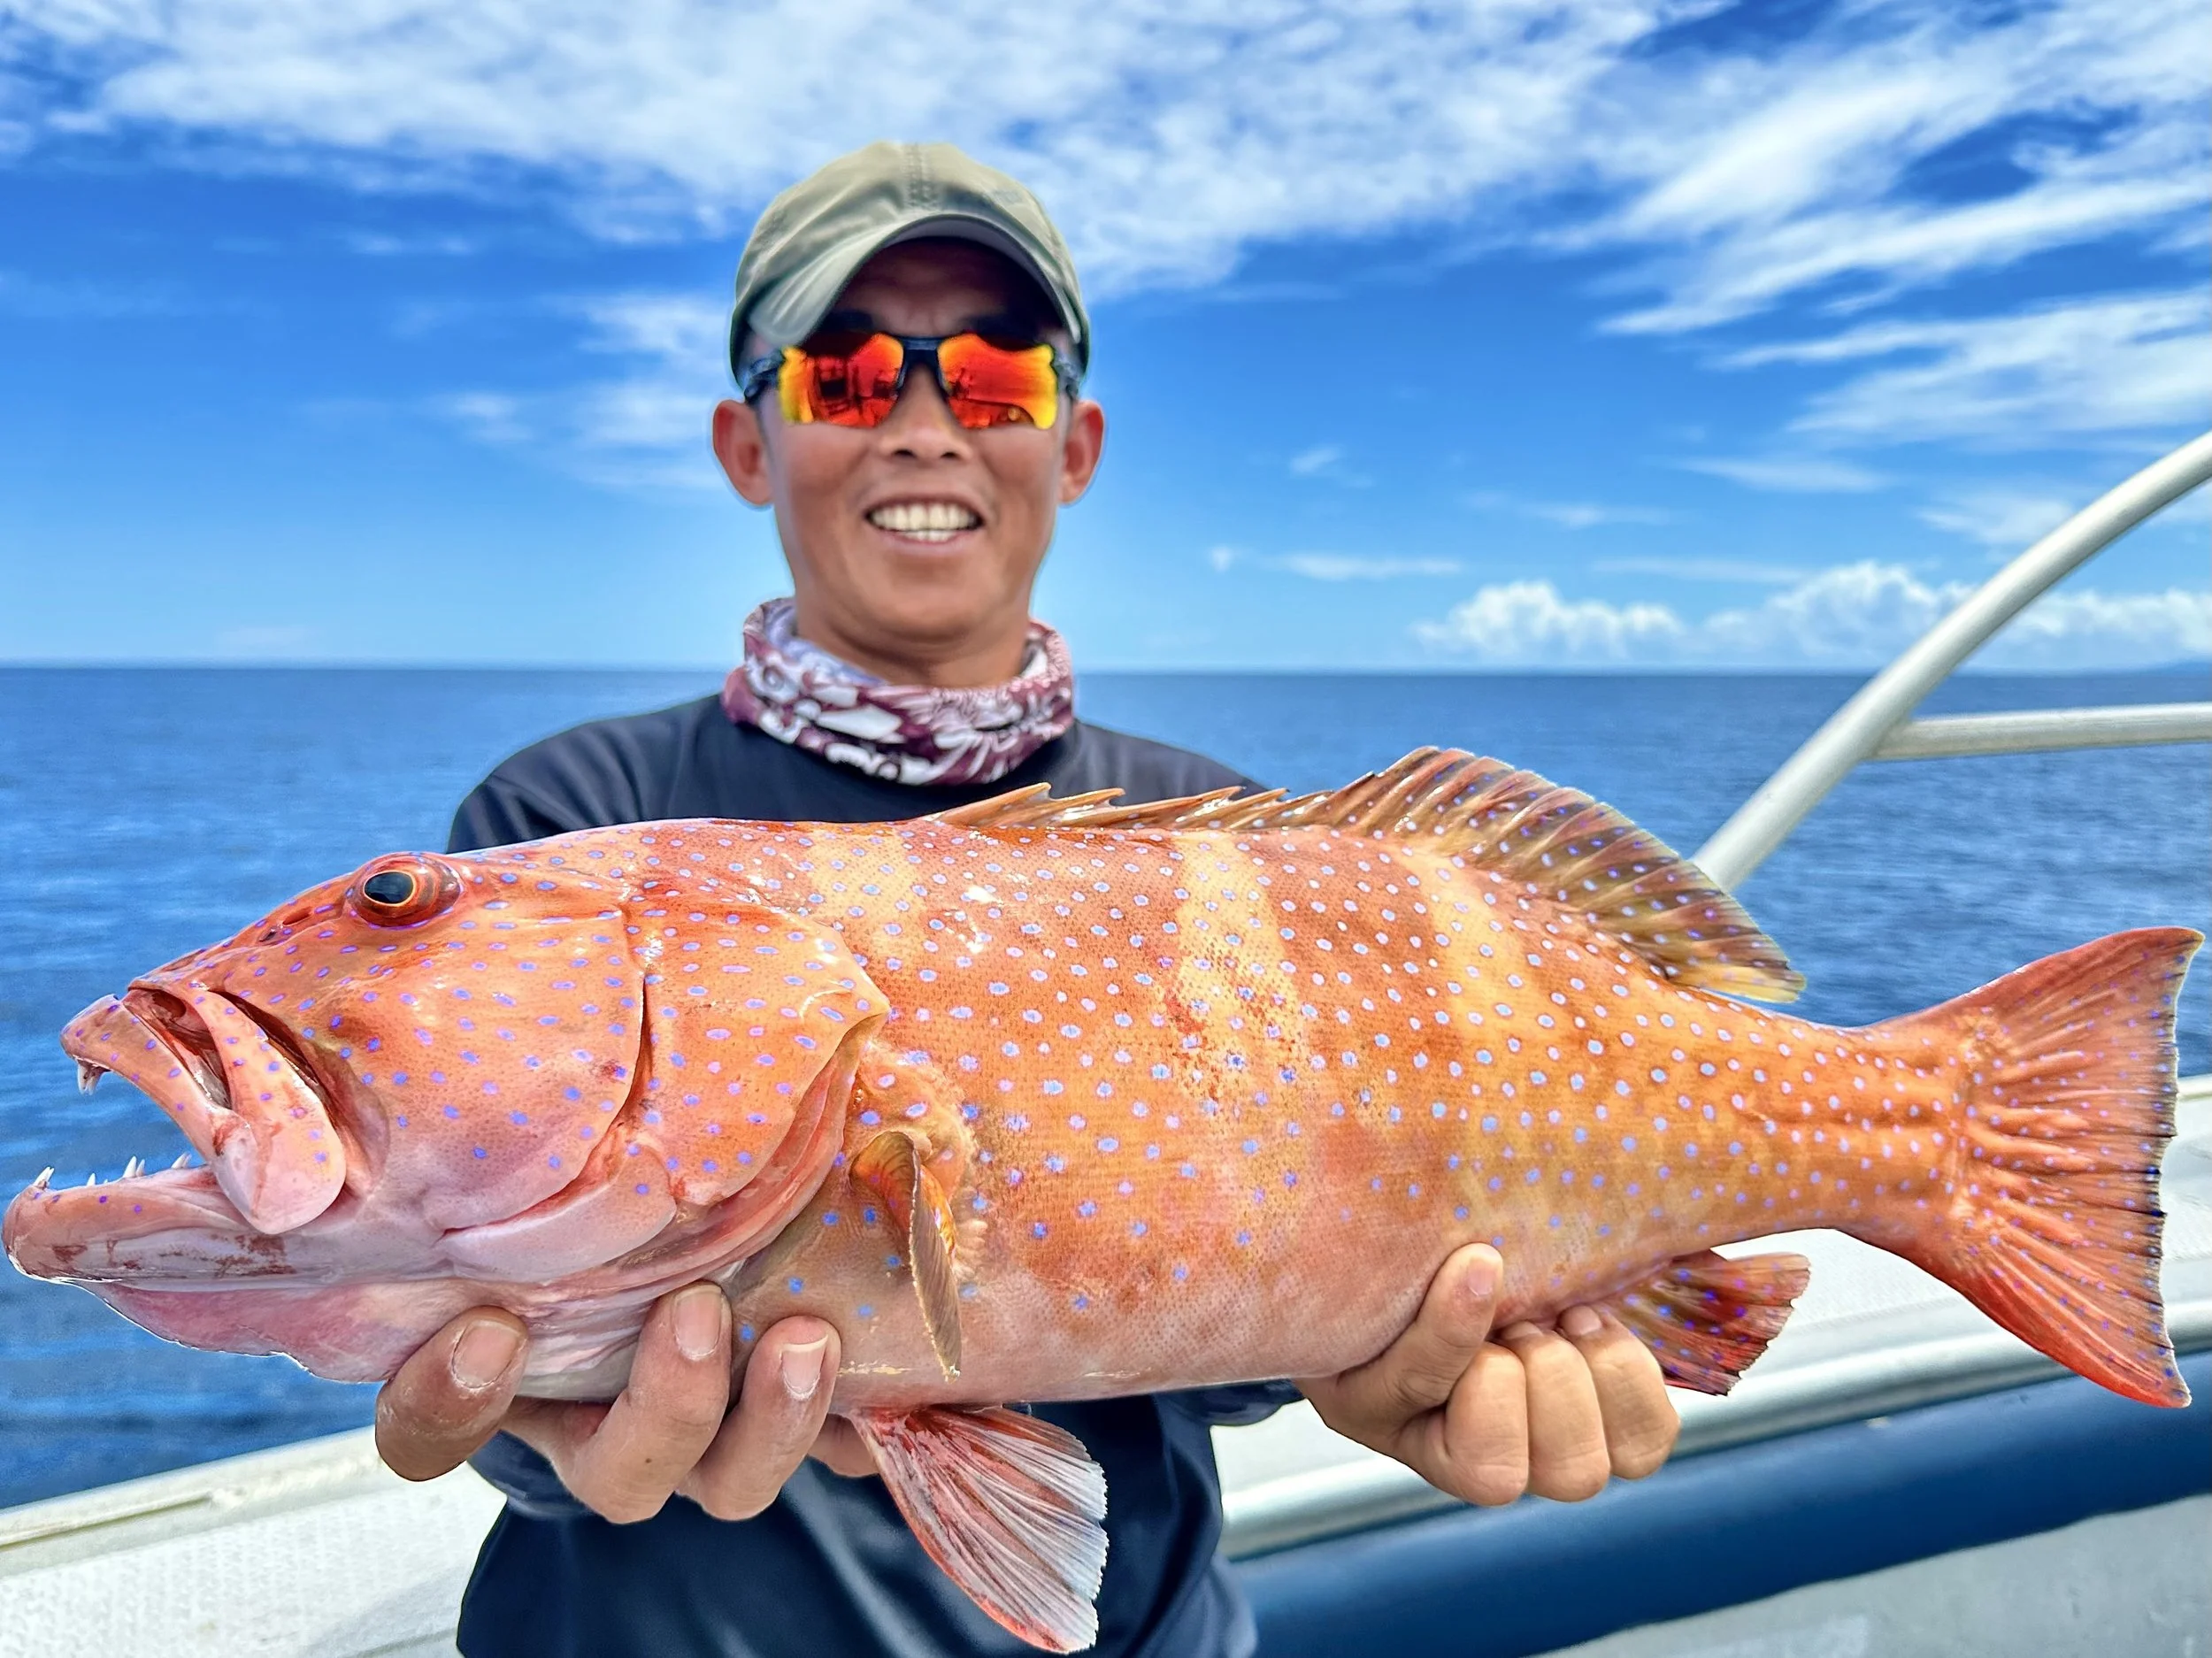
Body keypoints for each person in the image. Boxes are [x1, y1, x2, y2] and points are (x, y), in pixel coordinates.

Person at [373, 142, 1679, 1658]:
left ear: (1073, 444)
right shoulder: (569, 836)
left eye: (993, 377)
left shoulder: (1236, 844)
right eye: (850, 376)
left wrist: (1389, 1364)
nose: (926, 426)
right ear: (749, 443)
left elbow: (1236, 1336)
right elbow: (485, 1304)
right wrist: (530, 1430)